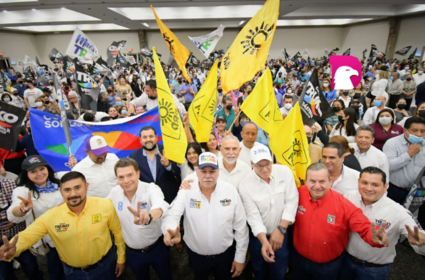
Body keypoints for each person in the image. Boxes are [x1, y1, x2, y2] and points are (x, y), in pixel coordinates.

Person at [1, 171, 126, 279]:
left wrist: (121, 259)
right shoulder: (51, 216)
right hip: (73, 273)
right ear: (61, 192)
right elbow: (28, 236)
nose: (73, 194)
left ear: (86, 186)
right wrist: (14, 248)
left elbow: (118, 233)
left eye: (77, 188)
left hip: (106, 266)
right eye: (67, 190)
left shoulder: (105, 205)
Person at [292, 163, 389, 280]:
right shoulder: (296, 194)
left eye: (322, 181)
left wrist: (374, 237)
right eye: (312, 181)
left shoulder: (344, 205)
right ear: (306, 182)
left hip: (327, 267)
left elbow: (363, 225)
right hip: (298, 260)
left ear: (330, 182)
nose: (317, 186)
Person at [161, 152, 249, 280]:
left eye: (212, 171)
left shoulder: (230, 191)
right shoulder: (186, 190)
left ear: (218, 172)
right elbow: (172, 215)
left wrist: (240, 258)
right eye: (203, 171)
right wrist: (169, 230)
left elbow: (241, 227)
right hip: (196, 256)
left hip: (225, 255)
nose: (208, 176)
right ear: (196, 172)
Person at [342, 167, 425, 280]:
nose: (368, 188)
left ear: (386, 186)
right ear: (358, 182)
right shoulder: (349, 196)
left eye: (375, 185)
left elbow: (418, 237)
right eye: (364, 183)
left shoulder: (399, 212)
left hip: (373, 270)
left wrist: (421, 242)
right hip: (345, 261)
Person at [239, 144, 298, 280]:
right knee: (259, 269)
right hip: (258, 237)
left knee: (279, 269)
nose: (265, 169)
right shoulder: (245, 184)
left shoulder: (285, 172)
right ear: (252, 164)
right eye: (259, 165)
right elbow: (253, 216)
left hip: (282, 233)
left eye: (267, 164)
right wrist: (264, 241)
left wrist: (281, 230)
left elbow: (291, 201)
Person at [108, 158, 172, 280]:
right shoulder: (114, 193)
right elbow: (100, 207)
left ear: (138, 173)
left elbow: (161, 205)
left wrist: (149, 216)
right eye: (121, 177)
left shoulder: (151, 188)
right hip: (133, 253)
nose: (126, 181)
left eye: (130, 175)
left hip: (157, 249)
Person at [6, 155, 65, 280]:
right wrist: (22, 209)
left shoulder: (59, 181)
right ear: (26, 174)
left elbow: (78, 176)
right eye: (33, 171)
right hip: (51, 237)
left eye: (42, 169)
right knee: (56, 267)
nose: (39, 174)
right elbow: (13, 212)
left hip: (70, 231)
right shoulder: (23, 191)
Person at [0, 178, 44, 280]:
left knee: (30, 264)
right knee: (4, 273)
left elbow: (22, 204)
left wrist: (14, 218)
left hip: (17, 234)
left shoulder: (11, 183)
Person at [130, 126, 181, 204]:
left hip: (171, 200)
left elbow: (178, 172)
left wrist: (168, 165)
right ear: (140, 140)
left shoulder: (167, 150)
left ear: (156, 137)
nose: (148, 140)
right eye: (145, 137)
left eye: (151, 136)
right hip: (148, 201)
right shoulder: (134, 156)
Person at [383, 117, 425, 204]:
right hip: (395, 190)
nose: (419, 134)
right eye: (415, 130)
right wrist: (409, 155)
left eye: (422, 131)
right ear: (405, 131)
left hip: (418, 191)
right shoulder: (392, 143)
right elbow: (388, 166)